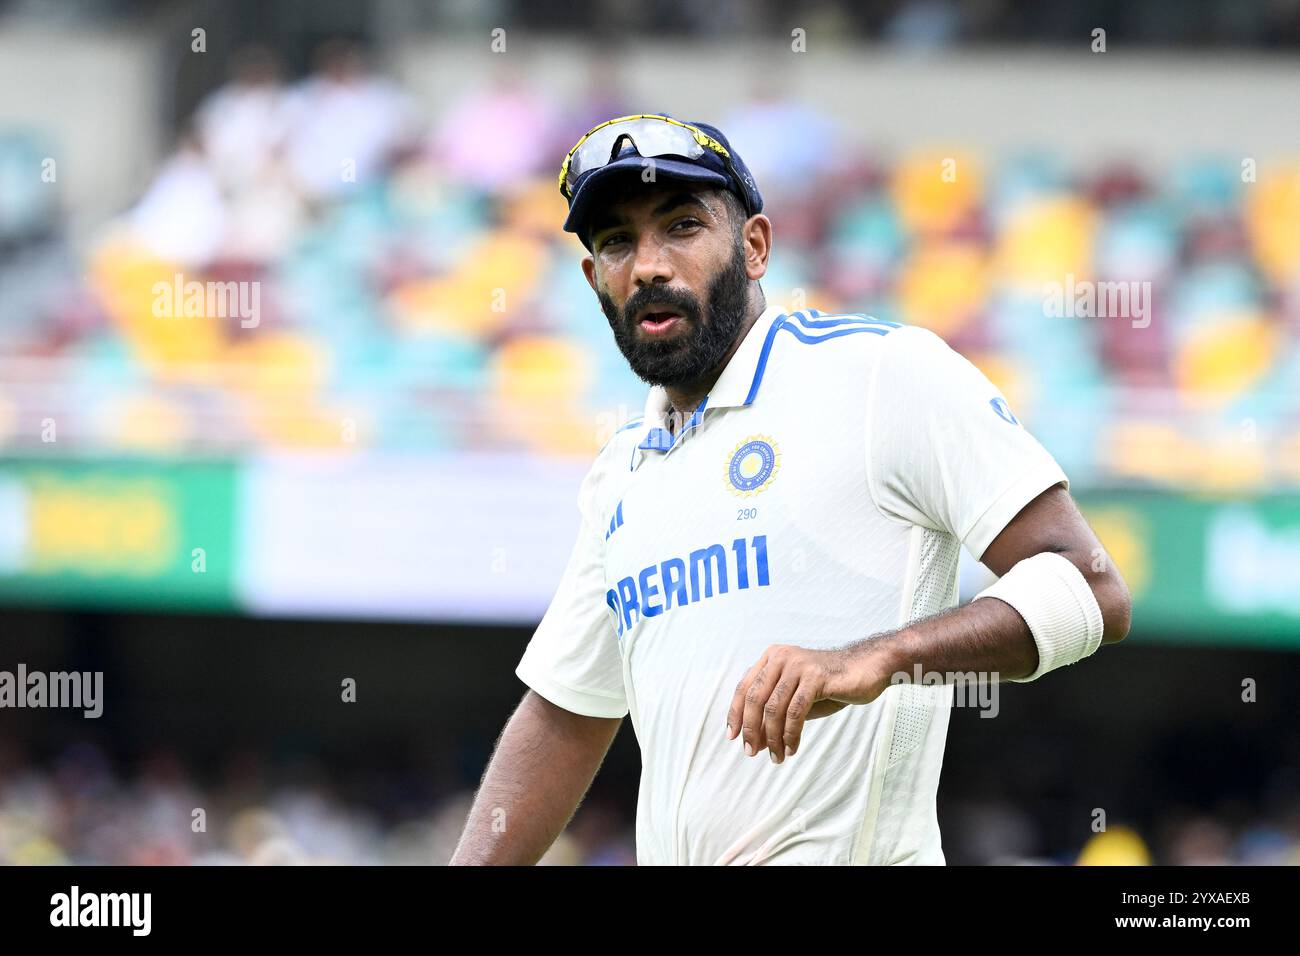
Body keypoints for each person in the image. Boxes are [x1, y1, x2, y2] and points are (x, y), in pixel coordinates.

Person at [451, 113, 1131, 865]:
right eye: (617, 242)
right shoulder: (621, 472)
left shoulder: (883, 376)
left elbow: (1091, 589)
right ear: (593, 280)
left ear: (755, 247)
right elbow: (566, 715)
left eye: (681, 226)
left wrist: (877, 659)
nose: (647, 264)